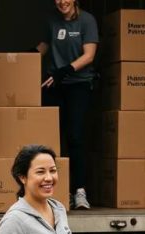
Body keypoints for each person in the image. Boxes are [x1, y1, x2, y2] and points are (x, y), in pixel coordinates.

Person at [36, 0, 98, 209]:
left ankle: (79, 191)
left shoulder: (87, 21)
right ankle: (60, 192)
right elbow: (45, 45)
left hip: (78, 85)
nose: (62, 1)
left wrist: (65, 71)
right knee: (54, 139)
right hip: (55, 85)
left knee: (75, 137)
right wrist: (27, 56)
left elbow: (89, 55)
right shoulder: (51, 20)